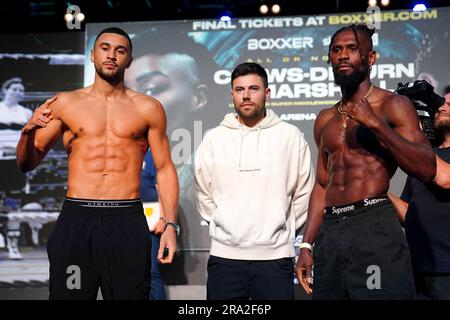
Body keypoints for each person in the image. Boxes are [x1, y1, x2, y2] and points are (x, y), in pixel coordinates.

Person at [15, 27, 179, 300]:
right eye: (105, 48)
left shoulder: (148, 108)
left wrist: (170, 226)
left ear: (129, 60)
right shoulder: (64, 104)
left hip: (126, 221)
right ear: (92, 55)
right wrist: (26, 131)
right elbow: (26, 163)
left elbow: (164, 169)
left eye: (120, 50)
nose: (112, 55)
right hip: (77, 223)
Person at [294, 24, 436, 300]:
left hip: (373, 226)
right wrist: (307, 245)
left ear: (370, 59)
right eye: (336, 50)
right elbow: (322, 185)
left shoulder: (393, 105)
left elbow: (426, 167)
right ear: (330, 59)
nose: (343, 55)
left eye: (352, 49)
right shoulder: (325, 119)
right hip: (331, 232)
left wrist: (376, 125)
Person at [194, 62, 315, 300]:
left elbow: (304, 192)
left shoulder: (290, 136)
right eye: (239, 90)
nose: (246, 95)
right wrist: (222, 220)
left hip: (275, 258)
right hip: (225, 258)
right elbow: (202, 191)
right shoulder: (214, 138)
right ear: (232, 95)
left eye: (253, 89)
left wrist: (282, 224)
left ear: (267, 93)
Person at [388, 85, 450, 299]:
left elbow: (447, 179)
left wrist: (413, 141)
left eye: (449, 105)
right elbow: (408, 212)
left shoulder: (426, 159)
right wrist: (380, 191)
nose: (441, 108)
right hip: (418, 266)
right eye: (440, 104)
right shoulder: (426, 157)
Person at [0, 77, 32, 260]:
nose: (18, 92)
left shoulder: (26, 113)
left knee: (13, 204)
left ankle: (13, 245)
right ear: (5, 90)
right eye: (14, 89)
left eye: (21, 90)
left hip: (15, 163)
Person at [140, 149, 166, 300]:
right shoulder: (126, 153)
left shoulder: (152, 156)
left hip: (151, 223)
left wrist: (162, 218)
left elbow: (163, 189)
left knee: (151, 272)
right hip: (126, 222)